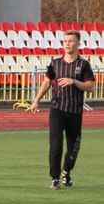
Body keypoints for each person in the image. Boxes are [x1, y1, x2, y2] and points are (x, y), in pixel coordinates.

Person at [28, 30, 95, 189]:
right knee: (56, 144)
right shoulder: (55, 63)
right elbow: (46, 83)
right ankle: (55, 178)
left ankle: (67, 171)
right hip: (57, 109)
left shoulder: (83, 65)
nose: (67, 43)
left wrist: (73, 81)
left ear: (78, 44)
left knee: (74, 148)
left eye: (71, 41)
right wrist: (36, 101)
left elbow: (90, 86)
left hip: (75, 111)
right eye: (65, 40)